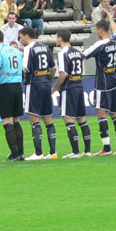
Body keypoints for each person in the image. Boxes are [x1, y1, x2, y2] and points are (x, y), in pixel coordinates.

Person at [82, 11, 116, 156]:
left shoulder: (100, 44)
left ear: (100, 30)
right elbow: (115, 29)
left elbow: (84, 54)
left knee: (101, 113)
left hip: (102, 84)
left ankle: (106, 147)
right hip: (114, 82)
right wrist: (109, 16)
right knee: (115, 114)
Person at [51, 29, 92, 158]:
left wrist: (54, 89)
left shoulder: (63, 53)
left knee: (68, 118)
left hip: (68, 89)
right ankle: (88, 150)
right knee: (82, 119)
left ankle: (75, 151)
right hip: (79, 86)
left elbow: (63, 73)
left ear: (59, 38)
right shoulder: (77, 52)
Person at [19, 26, 57, 160]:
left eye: (21, 37)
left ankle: (38, 153)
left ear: (27, 36)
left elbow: (25, 69)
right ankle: (53, 153)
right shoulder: (45, 47)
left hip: (34, 85)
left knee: (34, 118)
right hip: (46, 84)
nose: (20, 40)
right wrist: (49, 81)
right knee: (48, 118)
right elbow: (53, 68)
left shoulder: (29, 49)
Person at [0, 30, 25, 161]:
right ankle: (21, 153)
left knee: (7, 122)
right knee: (16, 120)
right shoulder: (16, 51)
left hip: (5, 88)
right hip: (18, 87)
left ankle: (14, 154)